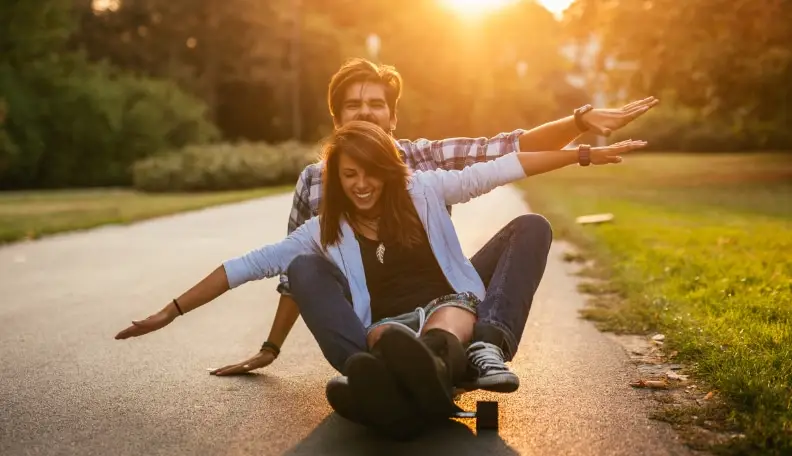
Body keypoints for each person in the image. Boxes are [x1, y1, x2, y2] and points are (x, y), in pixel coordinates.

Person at [115, 121, 648, 438]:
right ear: (337, 180)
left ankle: (469, 358)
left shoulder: (426, 190)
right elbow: (243, 267)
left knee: (529, 228)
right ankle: (384, 379)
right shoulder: (323, 233)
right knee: (304, 273)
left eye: (371, 172)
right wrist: (171, 311)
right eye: (349, 175)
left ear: (388, 169)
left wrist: (579, 153)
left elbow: (504, 166)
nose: (362, 184)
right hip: (386, 335)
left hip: (452, 318)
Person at [209, 58, 659, 393]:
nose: (365, 112)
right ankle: (384, 370)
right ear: (337, 119)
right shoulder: (315, 181)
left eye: (376, 104)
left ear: (393, 116)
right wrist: (271, 347)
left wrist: (579, 123)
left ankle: (483, 346)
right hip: (377, 323)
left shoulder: (424, 159)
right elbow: (298, 273)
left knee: (530, 227)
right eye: (353, 106)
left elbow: (509, 152)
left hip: (448, 302)